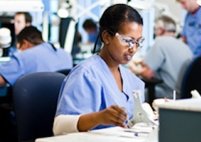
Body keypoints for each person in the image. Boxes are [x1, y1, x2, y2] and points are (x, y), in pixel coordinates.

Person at [53, 4, 145, 135]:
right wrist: (99, 117)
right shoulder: (86, 74)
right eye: (128, 41)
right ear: (107, 37)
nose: (133, 48)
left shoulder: (131, 80)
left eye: (138, 42)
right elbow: (59, 127)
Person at [130, 15, 193, 99]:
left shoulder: (160, 42)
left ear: (160, 30)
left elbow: (147, 74)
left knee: (132, 96)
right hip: (183, 94)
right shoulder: (184, 46)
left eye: (155, 30)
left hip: (169, 94)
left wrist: (132, 68)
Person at [0, 26, 73, 87]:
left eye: (20, 47)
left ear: (25, 43)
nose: (19, 50)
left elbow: (1, 80)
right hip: (61, 102)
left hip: (34, 102)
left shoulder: (25, 56)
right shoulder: (66, 54)